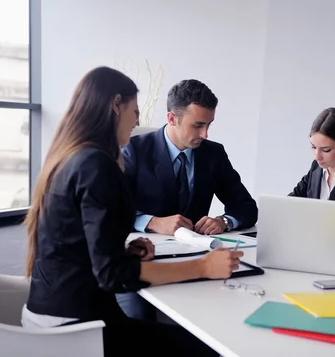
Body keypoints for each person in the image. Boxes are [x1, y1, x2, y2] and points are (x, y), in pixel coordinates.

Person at [21, 66, 241, 356]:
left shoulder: (73, 157)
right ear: (115, 105)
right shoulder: (96, 165)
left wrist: (124, 251)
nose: (138, 120)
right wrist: (202, 267)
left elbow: (79, 247)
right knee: (212, 347)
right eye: (135, 110)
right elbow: (112, 276)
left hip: (52, 312)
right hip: (75, 329)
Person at [118, 78, 257, 320]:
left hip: (197, 260)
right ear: (172, 118)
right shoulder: (133, 151)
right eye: (198, 125)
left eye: (209, 125)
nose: (204, 134)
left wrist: (224, 221)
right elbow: (113, 213)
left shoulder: (213, 154)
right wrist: (151, 222)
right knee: (139, 324)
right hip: (144, 261)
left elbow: (246, 207)